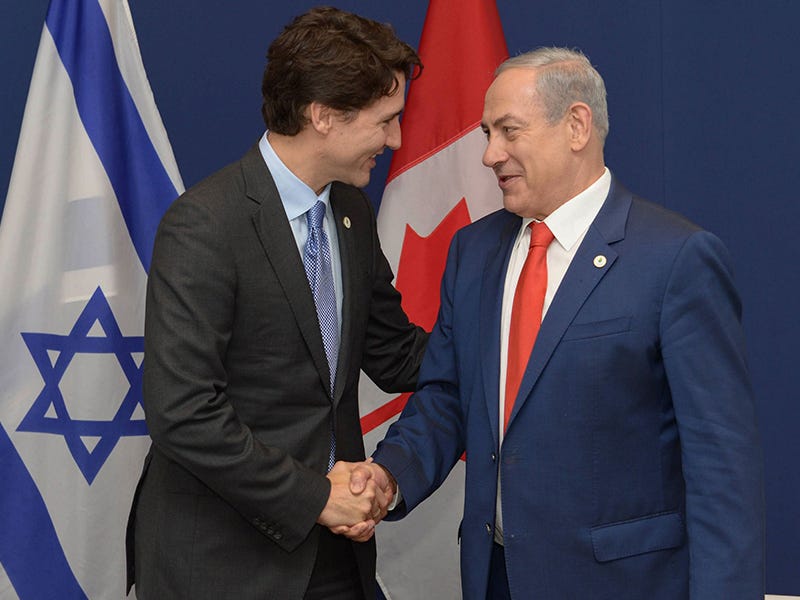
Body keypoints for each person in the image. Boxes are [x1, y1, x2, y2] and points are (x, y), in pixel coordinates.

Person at [351, 47, 765, 599]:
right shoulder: (473, 252)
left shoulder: (675, 259)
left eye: (508, 131)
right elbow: (448, 397)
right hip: (493, 577)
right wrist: (389, 476)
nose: (489, 154)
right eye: (485, 133)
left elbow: (722, 469)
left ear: (576, 125)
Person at [125, 7, 426, 600]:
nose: (396, 140)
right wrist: (316, 498)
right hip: (223, 563)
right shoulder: (206, 224)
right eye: (385, 120)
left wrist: (515, 339)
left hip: (337, 559)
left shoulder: (352, 212)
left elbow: (395, 355)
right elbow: (183, 411)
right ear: (324, 116)